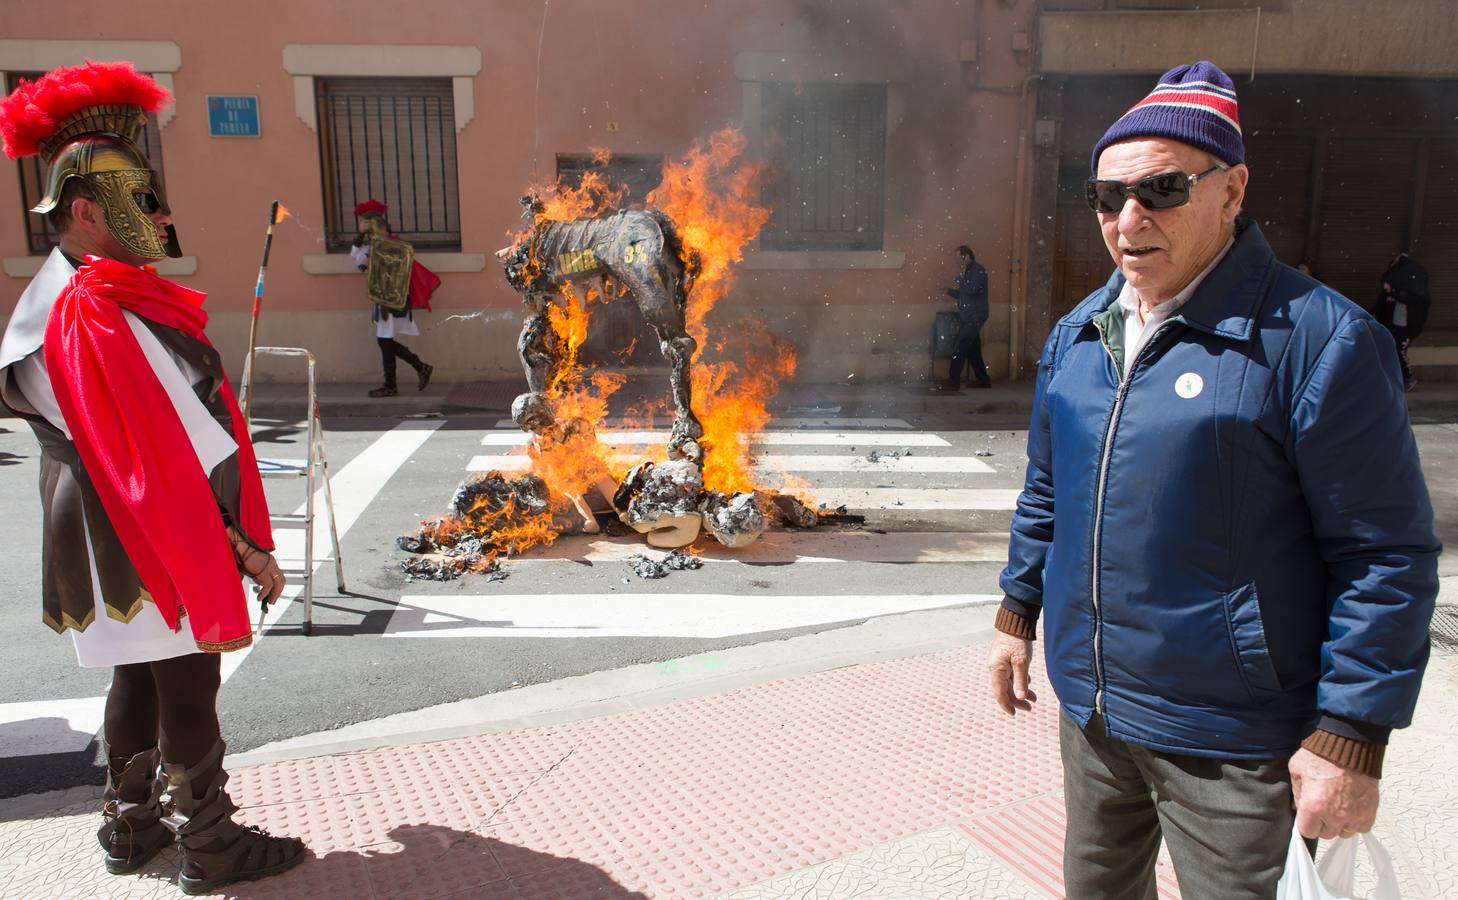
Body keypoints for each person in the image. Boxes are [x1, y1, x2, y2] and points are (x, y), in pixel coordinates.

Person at [986, 61, 1438, 898]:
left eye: (1161, 190)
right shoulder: (1078, 335)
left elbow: (1385, 553)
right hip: (1095, 716)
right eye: (1106, 196)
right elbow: (1047, 492)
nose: (1128, 220)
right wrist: (1019, 613)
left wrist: (1349, 735)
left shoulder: (1321, 341)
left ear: (1231, 191)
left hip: (1233, 741)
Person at [0, 62, 305, 893]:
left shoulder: (54, 292)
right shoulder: (95, 304)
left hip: (88, 516)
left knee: (136, 669)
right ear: (88, 210)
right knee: (189, 673)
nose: (163, 216)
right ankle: (212, 846)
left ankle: (131, 829)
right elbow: (184, 440)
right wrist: (242, 545)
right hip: (138, 519)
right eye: (144, 201)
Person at [350, 199, 438, 397]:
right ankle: (417, 369)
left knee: (384, 341)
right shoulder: (373, 246)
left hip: (391, 299)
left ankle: (401, 379)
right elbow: (356, 257)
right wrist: (361, 235)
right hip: (383, 298)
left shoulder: (393, 246)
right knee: (385, 341)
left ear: (378, 227)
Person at [1373, 252, 1430, 391]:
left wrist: (1392, 293)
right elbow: (1380, 304)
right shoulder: (1391, 289)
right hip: (1389, 323)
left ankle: (1407, 377)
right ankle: (1393, 379)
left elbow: (1413, 305)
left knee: (1399, 350)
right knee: (1388, 350)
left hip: (1402, 326)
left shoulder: (1409, 291)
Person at [939, 245, 991, 390]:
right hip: (969, 315)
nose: (957, 261)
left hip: (975, 315)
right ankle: (983, 380)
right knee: (973, 349)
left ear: (966, 256)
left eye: (958, 257)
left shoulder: (977, 270)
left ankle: (953, 380)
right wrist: (949, 291)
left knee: (960, 345)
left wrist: (960, 280)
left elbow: (972, 290)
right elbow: (964, 294)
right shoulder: (968, 272)